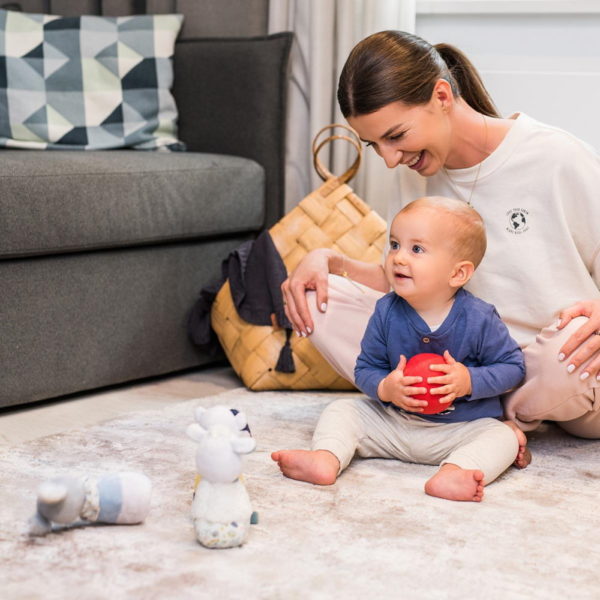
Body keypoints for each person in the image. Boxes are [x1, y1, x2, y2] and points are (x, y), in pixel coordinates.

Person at [279, 30, 600, 440]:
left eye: (395, 136)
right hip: (455, 363)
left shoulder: (556, 158)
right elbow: (402, 281)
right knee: (315, 297)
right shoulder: (419, 171)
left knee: (568, 352)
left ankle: (500, 422)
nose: (391, 159)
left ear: (442, 97)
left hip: (555, 373)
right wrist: (327, 260)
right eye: (375, 145)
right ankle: (468, 412)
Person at [272, 196, 526, 501]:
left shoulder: (479, 317)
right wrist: (385, 388)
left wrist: (468, 380)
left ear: (458, 273)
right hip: (394, 424)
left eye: (416, 249)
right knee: (343, 410)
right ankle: (326, 457)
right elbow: (365, 368)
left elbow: (513, 367)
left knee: (502, 436)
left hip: (458, 430)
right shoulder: (385, 311)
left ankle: (456, 472)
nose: (398, 258)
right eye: (395, 245)